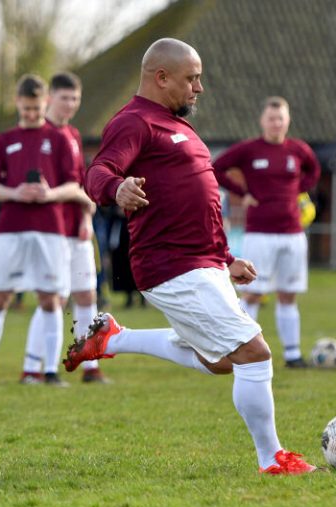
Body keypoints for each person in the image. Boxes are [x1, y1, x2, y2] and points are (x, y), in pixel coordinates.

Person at [63, 38, 318, 474]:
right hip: (170, 265)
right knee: (254, 353)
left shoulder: (176, 124)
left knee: (218, 361)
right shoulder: (134, 122)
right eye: (191, 78)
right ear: (161, 78)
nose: (199, 87)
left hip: (203, 262)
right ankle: (272, 458)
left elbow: (204, 201)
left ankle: (111, 339)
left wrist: (226, 257)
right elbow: (98, 171)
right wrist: (115, 188)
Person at [0, 74, 85, 386]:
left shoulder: (61, 139)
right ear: (17, 103)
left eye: (36, 109)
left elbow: (73, 184)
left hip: (50, 230)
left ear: (45, 103)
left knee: (51, 299)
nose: (31, 114)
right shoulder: (3, 140)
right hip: (10, 229)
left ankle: (49, 372)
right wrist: (15, 193)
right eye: (25, 108)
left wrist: (49, 194)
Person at [213, 96, 321, 368]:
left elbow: (314, 171)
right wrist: (242, 193)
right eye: (271, 118)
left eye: (281, 118)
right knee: (252, 293)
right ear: (263, 121)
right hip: (259, 233)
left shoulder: (298, 150)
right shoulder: (250, 150)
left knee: (288, 294)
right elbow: (217, 168)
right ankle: (239, 352)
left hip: (293, 234)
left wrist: (299, 187)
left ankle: (293, 355)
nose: (276, 123)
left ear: (288, 121)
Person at [19, 72, 110, 385]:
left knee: (86, 296)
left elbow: (79, 186)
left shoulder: (71, 134)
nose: (70, 104)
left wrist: (86, 216)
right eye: (64, 98)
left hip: (78, 233)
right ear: (49, 99)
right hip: (51, 233)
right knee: (53, 300)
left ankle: (89, 366)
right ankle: (32, 368)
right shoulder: (37, 136)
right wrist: (82, 198)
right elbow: (64, 189)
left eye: (75, 98)